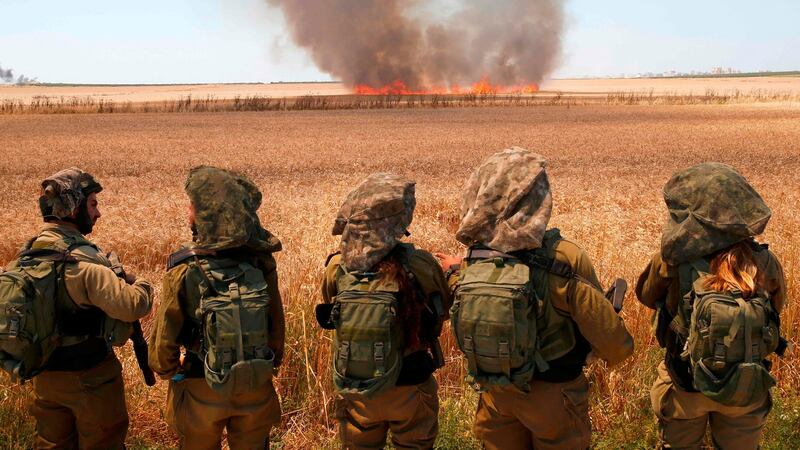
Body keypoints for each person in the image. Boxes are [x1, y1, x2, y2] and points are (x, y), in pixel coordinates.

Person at [437, 147, 634, 450]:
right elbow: (613, 342)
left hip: (496, 396)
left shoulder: (476, 258)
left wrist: (455, 270)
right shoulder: (564, 257)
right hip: (553, 396)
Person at [636, 162, 787, 449]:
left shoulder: (671, 261)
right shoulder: (766, 261)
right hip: (745, 385)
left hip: (684, 383)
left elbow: (644, 296)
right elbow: (777, 309)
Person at [149, 166, 285, 450]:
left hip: (202, 382)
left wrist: (171, 372)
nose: (188, 211)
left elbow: (164, 345)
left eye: (192, 205)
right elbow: (276, 328)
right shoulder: (260, 263)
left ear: (204, 214)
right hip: (254, 381)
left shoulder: (184, 268)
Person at [317, 172, 451, 450]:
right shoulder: (420, 264)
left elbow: (331, 305)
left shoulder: (338, 267)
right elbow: (442, 312)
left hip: (359, 389)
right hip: (410, 385)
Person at [23, 167, 153, 449]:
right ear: (72, 209)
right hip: (90, 378)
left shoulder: (27, 256)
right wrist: (138, 281)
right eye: (93, 204)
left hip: (45, 378)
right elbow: (133, 306)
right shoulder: (85, 264)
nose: (98, 213)